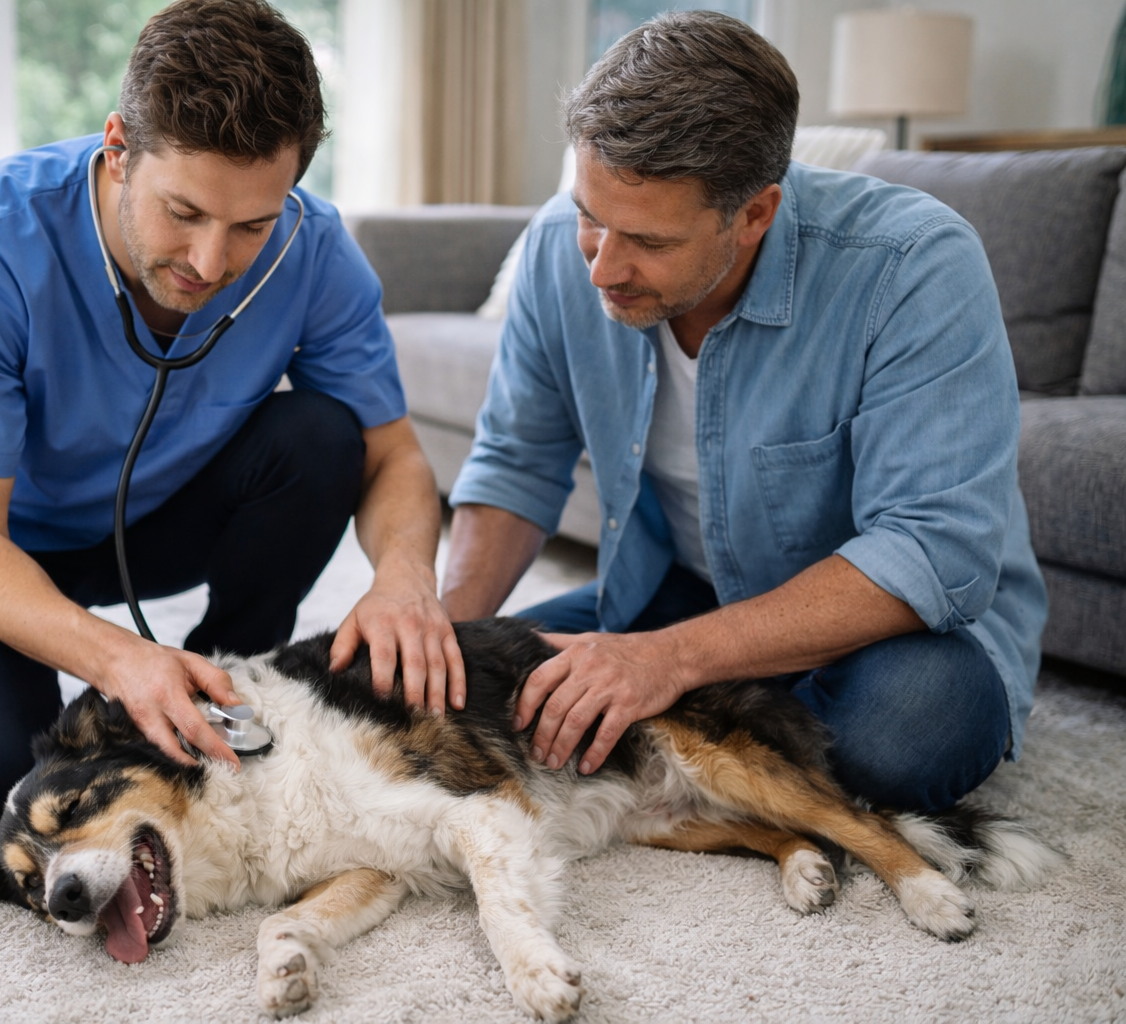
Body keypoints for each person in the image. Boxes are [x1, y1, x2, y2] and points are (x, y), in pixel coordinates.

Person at [0, 0, 461, 828]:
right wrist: (118, 662)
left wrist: (404, 579)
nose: (212, 262)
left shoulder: (316, 250)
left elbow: (392, 456)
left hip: (160, 520)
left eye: (252, 223)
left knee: (325, 436)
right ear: (118, 150)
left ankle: (228, 669)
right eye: (184, 213)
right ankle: (103, 676)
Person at [440, 11, 1046, 813]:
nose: (602, 267)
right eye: (593, 216)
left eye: (648, 241)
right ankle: (719, 730)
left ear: (755, 213)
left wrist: (667, 662)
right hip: (676, 590)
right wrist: (438, 642)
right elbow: (516, 462)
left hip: (889, 633)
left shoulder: (914, 265)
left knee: (903, 738)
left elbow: (933, 551)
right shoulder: (562, 248)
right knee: (490, 689)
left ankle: (697, 717)